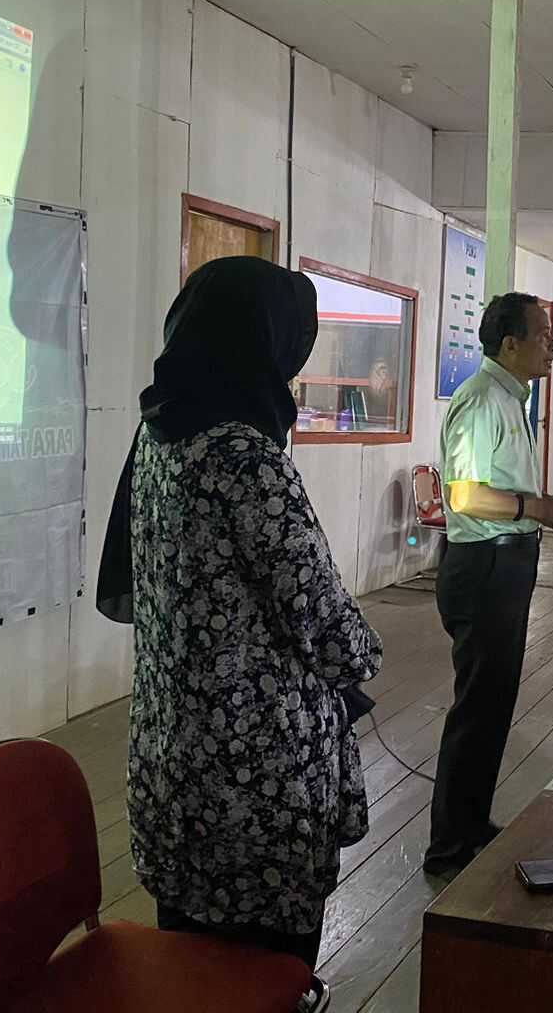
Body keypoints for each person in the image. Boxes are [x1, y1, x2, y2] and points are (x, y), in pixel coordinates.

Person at [96, 256, 383, 965]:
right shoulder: (245, 454)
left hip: (173, 754)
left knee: (186, 962)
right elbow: (321, 617)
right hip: (253, 779)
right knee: (263, 969)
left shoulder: (160, 434)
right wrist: (364, 654)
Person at [426, 292, 553, 877]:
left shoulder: (511, 398)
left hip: (507, 564)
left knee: (494, 705)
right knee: (477, 707)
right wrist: (537, 507)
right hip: (483, 567)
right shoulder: (482, 400)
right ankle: (448, 847)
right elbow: (464, 496)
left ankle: (470, 826)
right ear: (510, 344)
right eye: (543, 335)